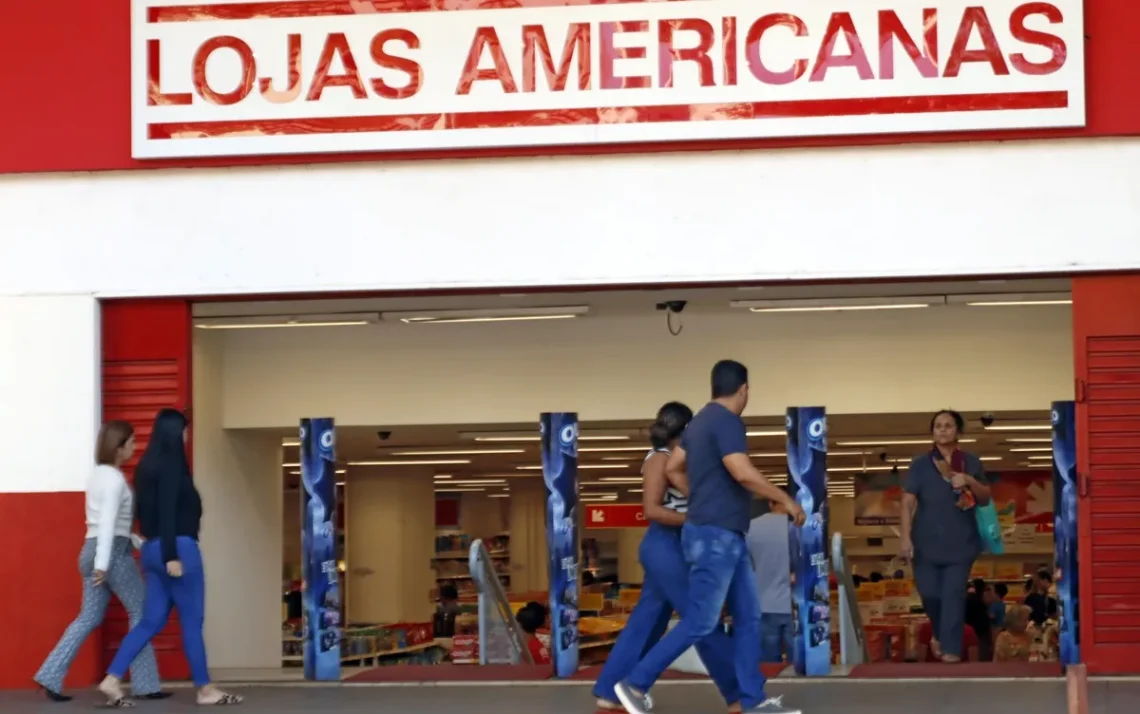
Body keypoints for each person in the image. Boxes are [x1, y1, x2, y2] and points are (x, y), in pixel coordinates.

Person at [614, 360, 806, 714]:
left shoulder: (699, 421)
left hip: (722, 534)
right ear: (744, 389)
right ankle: (635, 683)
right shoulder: (728, 421)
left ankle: (753, 702)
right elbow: (741, 471)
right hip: (716, 537)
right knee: (701, 620)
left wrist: (700, 500)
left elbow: (673, 467)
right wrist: (785, 499)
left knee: (749, 617)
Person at [594, 402, 742, 712]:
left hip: (680, 547)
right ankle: (740, 695)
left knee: (648, 619)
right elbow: (652, 510)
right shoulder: (658, 460)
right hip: (665, 545)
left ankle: (610, 692)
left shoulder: (682, 460)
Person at [97, 409, 243, 707]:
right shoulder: (172, 465)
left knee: (150, 621)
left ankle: (112, 678)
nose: (187, 436)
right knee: (192, 622)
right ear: (176, 433)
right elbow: (166, 511)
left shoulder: (144, 467)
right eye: (185, 431)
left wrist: (159, 552)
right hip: (178, 550)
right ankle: (205, 689)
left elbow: (144, 514)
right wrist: (172, 556)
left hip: (151, 551)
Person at [33, 421, 170, 703]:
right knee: (141, 614)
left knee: (89, 617)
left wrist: (131, 540)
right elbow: (107, 523)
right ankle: (145, 685)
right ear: (118, 447)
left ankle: (50, 674)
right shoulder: (115, 480)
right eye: (131, 443)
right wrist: (103, 564)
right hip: (109, 556)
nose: (134, 447)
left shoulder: (98, 476)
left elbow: (104, 523)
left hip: (95, 549)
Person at [899, 409, 993, 664]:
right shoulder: (920, 464)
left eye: (948, 425)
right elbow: (908, 501)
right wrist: (905, 537)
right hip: (926, 541)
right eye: (938, 426)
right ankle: (940, 634)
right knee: (930, 594)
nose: (942, 429)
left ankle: (951, 650)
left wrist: (969, 481)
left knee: (953, 594)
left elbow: (985, 497)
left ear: (958, 431)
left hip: (961, 541)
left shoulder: (971, 461)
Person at [746, 494, 795, 664]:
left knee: (768, 665)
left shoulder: (751, 528)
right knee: (798, 665)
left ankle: (772, 690)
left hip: (763, 603)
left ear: (770, 503)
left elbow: (745, 565)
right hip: (794, 606)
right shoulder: (798, 529)